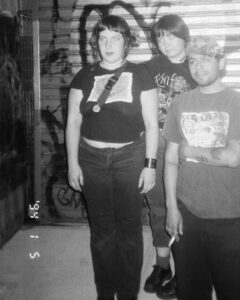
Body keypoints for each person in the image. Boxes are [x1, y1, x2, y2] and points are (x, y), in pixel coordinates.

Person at [65, 15, 159, 300]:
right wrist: (72, 164)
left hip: (129, 158)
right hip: (91, 158)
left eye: (115, 37)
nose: (108, 44)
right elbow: (73, 121)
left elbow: (153, 124)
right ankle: (105, 292)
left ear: (126, 42)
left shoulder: (142, 76)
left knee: (129, 230)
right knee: (102, 230)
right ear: (96, 43)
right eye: (103, 38)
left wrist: (150, 166)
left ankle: (128, 294)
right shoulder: (83, 76)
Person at [163, 36, 240, 300]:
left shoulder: (239, 102)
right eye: (193, 60)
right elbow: (170, 160)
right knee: (191, 292)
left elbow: (232, 157)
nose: (198, 67)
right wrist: (171, 208)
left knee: (232, 292)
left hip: (227, 217)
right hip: (186, 213)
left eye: (206, 59)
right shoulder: (180, 104)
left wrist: (190, 150)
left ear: (222, 62)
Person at [143, 14, 196, 299]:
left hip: (188, 148)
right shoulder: (151, 66)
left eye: (170, 35)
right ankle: (163, 266)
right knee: (159, 208)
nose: (164, 42)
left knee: (186, 209)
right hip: (158, 145)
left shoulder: (198, 65)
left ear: (184, 36)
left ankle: (188, 271)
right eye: (159, 36)